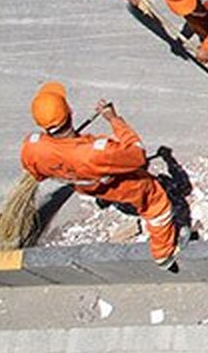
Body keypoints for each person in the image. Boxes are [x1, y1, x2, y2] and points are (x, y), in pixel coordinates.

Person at [20, 82, 189, 271]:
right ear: (70, 112)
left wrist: (69, 149)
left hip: (92, 187)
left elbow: (39, 174)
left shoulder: (32, 148)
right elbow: (137, 155)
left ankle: (110, 201)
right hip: (126, 187)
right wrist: (114, 119)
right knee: (156, 205)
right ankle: (163, 253)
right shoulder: (95, 152)